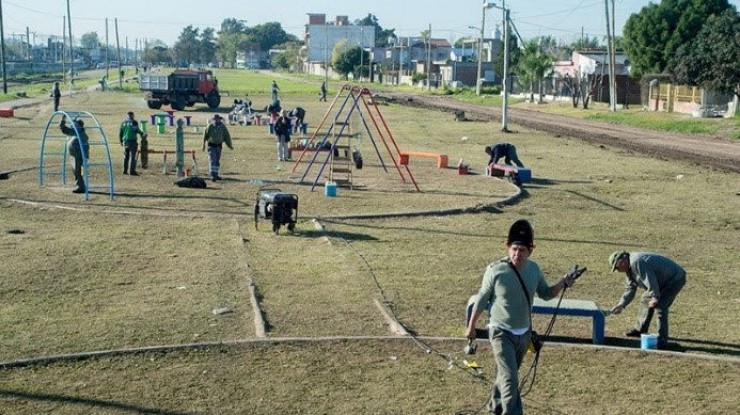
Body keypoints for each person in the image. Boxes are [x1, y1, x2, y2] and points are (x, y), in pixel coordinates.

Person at [465, 219, 576, 415]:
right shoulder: (495, 270)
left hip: (523, 334)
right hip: (500, 332)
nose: (517, 253)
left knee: (507, 375)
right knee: (510, 379)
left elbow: (546, 293)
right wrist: (471, 326)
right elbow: (481, 299)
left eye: (522, 250)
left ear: (531, 250)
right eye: (514, 248)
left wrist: (563, 283)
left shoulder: (534, 269)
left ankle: (495, 407)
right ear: (507, 247)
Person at [608, 251, 686, 350]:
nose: (618, 270)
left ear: (622, 261)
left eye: (617, 267)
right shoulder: (629, 269)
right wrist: (621, 304)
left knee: (660, 306)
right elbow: (630, 288)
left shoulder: (637, 262)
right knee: (645, 299)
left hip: (674, 279)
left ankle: (662, 339)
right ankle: (640, 329)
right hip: (661, 282)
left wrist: (655, 297)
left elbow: (650, 280)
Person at [59, 118, 90, 194]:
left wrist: (62, 123)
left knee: (79, 171)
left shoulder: (80, 133)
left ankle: (81, 187)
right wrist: (62, 122)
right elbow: (65, 130)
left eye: (75, 124)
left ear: (79, 126)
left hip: (79, 157)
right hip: (75, 156)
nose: (73, 126)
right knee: (77, 171)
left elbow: (66, 130)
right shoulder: (77, 132)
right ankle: (81, 185)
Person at [202, 114, 233, 181]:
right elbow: (205, 135)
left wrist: (229, 145)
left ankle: (216, 174)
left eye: (217, 119)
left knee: (217, 161)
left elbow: (226, 136)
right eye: (215, 119)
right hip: (211, 146)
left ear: (219, 119)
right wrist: (203, 145)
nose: (216, 120)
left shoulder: (222, 127)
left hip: (219, 146)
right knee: (212, 160)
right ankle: (212, 175)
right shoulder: (210, 126)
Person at [119, 111, 147, 175]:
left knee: (126, 157)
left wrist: (121, 141)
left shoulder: (123, 123)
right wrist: (142, 133)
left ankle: (125, 171)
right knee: (133, 157)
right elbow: (136, 130)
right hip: (132, 142)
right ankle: (132, 171)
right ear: (132, 115)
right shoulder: (134, 122)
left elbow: (120, 133)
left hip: (125, 142)